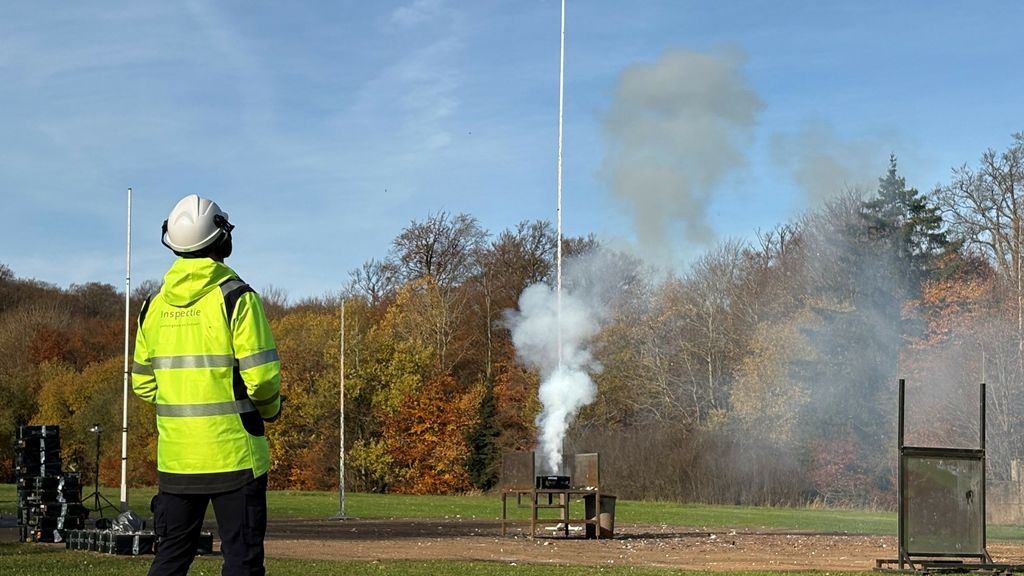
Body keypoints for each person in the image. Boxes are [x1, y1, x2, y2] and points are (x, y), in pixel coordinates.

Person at [132, 194, 281, 576]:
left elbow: (143, 385)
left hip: (177, 460)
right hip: (236, 456)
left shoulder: (152, 306)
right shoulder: (237, 297)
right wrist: (270, 410)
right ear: (221, 240)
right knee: (242, 562)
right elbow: (261, 379)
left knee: (169, 561)